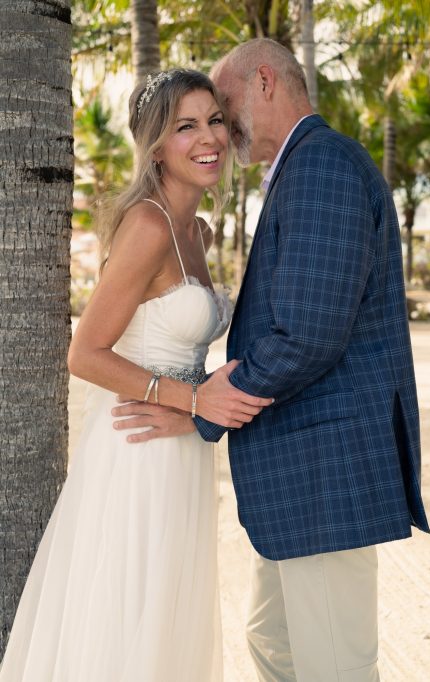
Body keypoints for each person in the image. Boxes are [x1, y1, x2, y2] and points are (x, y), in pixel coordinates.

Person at [114, 40, 430, 682]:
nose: (221, 131)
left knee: (334, 663)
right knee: (275, 643)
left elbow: (307, 334)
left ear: (265, 82)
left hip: (325, 472)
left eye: (224, 109)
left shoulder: (321, 169)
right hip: (301, 473)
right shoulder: (302, 169)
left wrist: (205, 410)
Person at [0, 68, 271, 682]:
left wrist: (192, 407)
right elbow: (86, 353)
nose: (209, 138)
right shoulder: (148, 226)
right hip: (136, 450)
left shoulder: (195, 231)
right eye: (186, 127)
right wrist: (192, 399)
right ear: (155, 147)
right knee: (125, 614)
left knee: (165, 617)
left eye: (215, 120)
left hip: (177, 446)